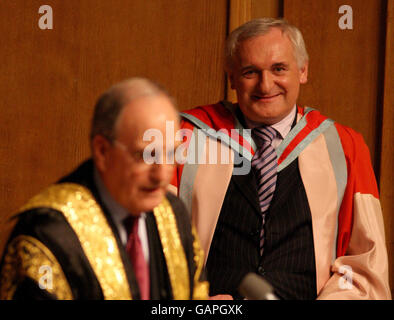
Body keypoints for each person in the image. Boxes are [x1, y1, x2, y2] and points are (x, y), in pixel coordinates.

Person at [171, 18, 391, 299]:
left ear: (302, 71)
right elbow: (150, 247)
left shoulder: (346, 147)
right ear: (232, 78)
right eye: (250, 72)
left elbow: (363, 265)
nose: (265, 85)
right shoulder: (185, 139)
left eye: (279, 69)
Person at [0, 78, 208, 300]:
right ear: (102, 151)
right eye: (146, 155)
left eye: (171, 154)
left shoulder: (173, 213)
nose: (161, 175)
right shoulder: (49, 233)